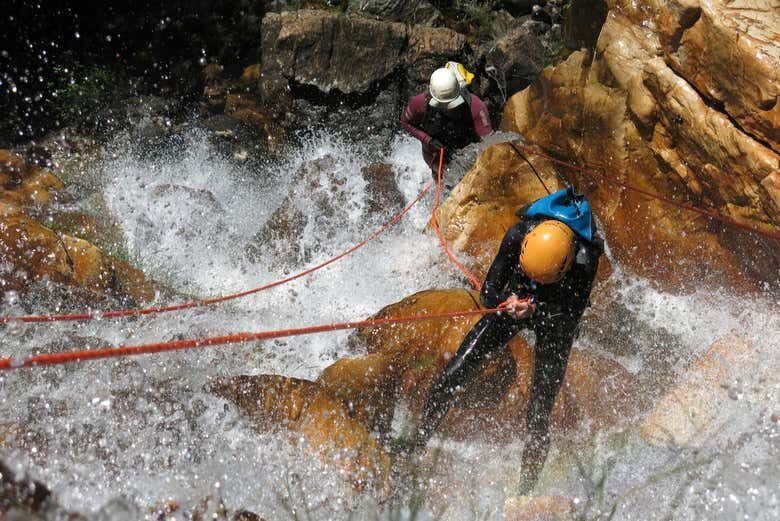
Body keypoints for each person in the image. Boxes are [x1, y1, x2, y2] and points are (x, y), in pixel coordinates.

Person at [411, 187, 604, 493]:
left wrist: (537, 309)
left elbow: (571, 312)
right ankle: (414, 446)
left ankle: (525, 492)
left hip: (557, 311)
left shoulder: (584, 259)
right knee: (452, 375)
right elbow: (489, 290)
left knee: (538, 414)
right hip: (516, 296)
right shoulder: (518, 235)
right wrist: (508, 300)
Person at [400, 66, 493, 178]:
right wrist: (428, 140)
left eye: (451, 105)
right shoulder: (420, 103)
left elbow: (490, 145)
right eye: (441, 105)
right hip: (434, 157)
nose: (447, 109)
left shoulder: (476, 108)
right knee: (442, 181)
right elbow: (405, 122)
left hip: (467, 159)